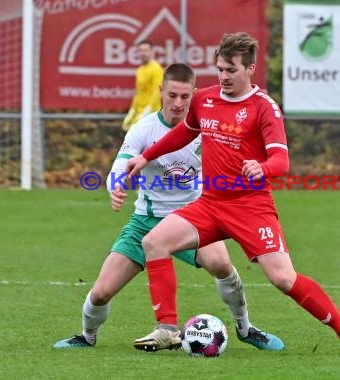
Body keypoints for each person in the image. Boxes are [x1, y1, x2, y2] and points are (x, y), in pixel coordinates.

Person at [126, 32, 340, 358]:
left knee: (284, 279)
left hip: (250, 207)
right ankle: (168, 328)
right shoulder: (205, 99)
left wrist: (263, 167)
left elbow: (282, 160)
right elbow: (185, 133)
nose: (224, 76)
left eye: (231, 70)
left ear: (250, 70)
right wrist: (146, 156)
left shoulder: (264, 108)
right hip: (211, 204)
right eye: (220, 69)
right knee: (154, 242)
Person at [53, 63, 283, 351]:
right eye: (172, 95)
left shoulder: (208, 129)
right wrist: (117, 185)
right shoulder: (144, 129)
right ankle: (87, 336)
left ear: (195, 94)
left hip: (193, 218)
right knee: (100, 293)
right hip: (146, 221)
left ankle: (245, 328)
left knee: (222, 264)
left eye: (185, 97)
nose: (178, 103)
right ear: (161, 91)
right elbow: (120, 165)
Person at [122, 40, 164, 131]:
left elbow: (156, 92)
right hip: (139, 114)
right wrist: (132, 111)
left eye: (146, 50)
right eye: (141, 50)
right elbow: (138, 93)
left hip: (152, 115)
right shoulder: (139, 70)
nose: (143, 53)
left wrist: (146, 112)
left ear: (152, 52)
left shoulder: (157, 69)